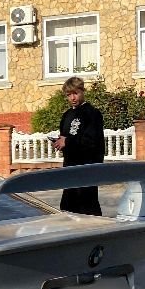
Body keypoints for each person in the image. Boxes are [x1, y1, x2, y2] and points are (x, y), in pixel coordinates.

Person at [53, 76, 105, 215]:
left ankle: (96, 233)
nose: (72, 98)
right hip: (70, 166)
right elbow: (66, 136)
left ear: (82, 91)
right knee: (68, 206)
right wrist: (60, 141)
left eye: (75, 93)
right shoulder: (67, 115)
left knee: (87, 205)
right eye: (69, 95)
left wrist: (68, 141)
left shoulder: (92, 113)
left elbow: (92, 141)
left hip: (87, 167)